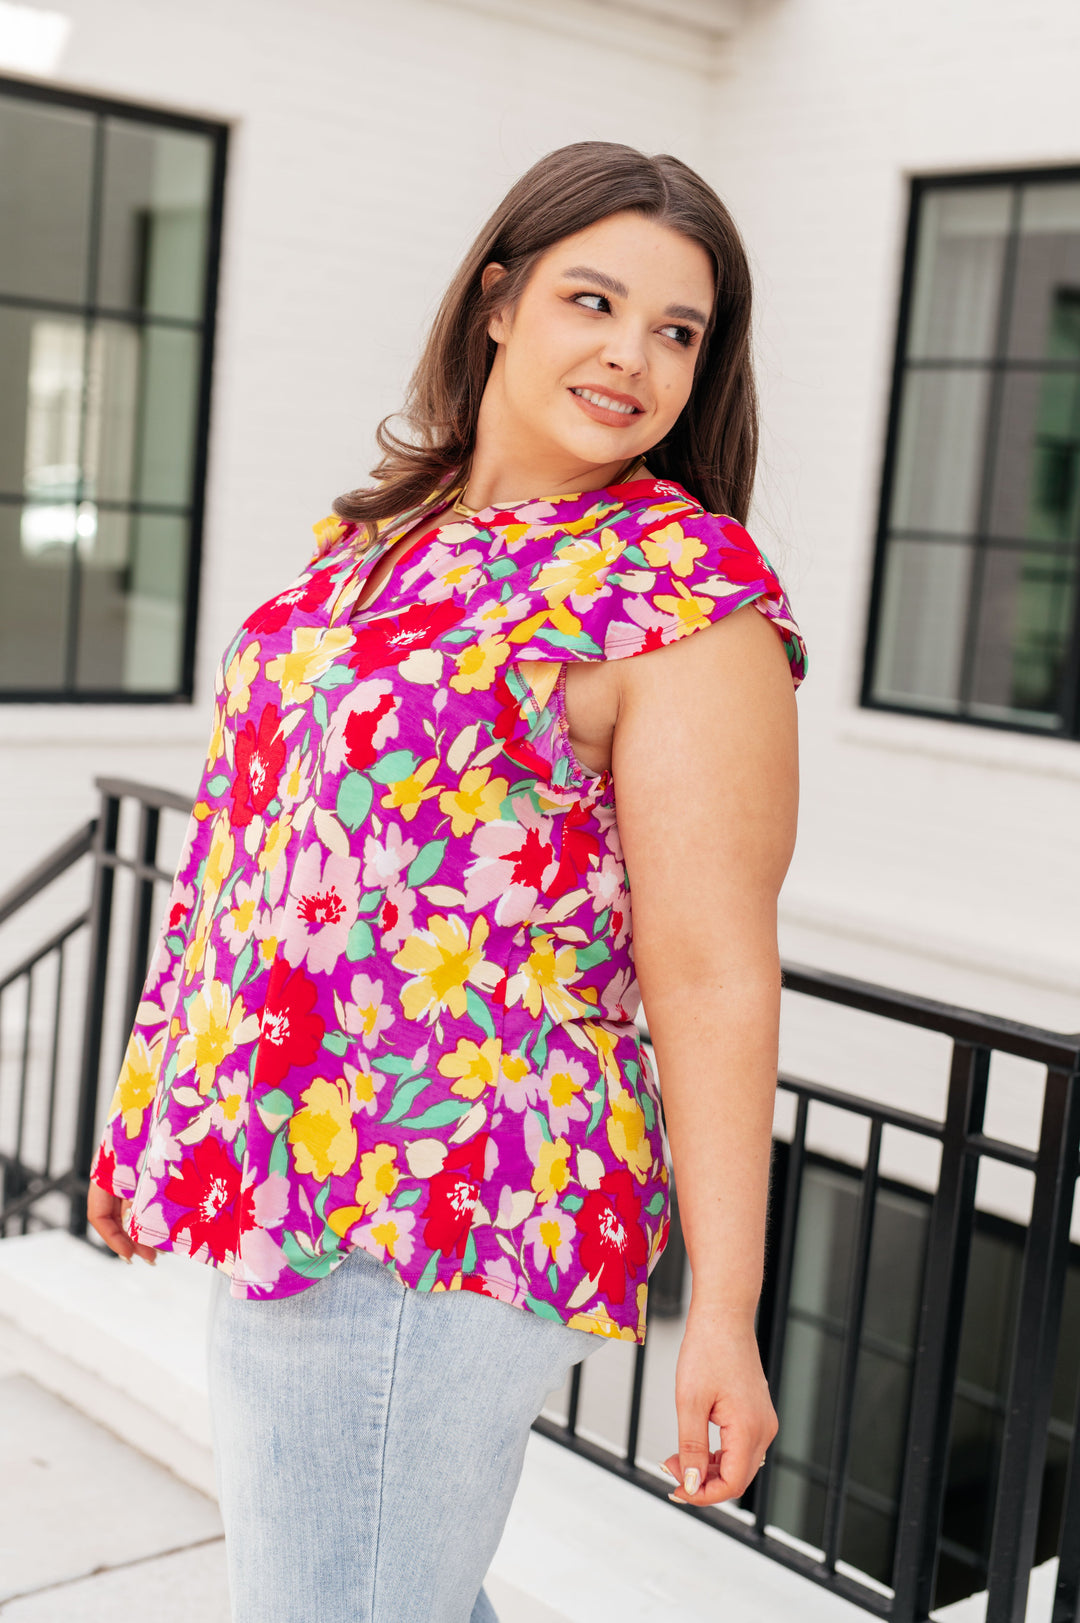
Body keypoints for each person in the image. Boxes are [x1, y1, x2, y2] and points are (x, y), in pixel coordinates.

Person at [87, 139, 806, 1623]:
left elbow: (715, 964)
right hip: (282, 1174)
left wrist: (723, 1314)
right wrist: (154, 1119)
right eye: (591, 302)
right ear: (495, 303)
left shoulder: (684, 597)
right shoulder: (379, 542)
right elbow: (251, 853)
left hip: (450, 1201)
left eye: (679, 332)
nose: (632, 357)